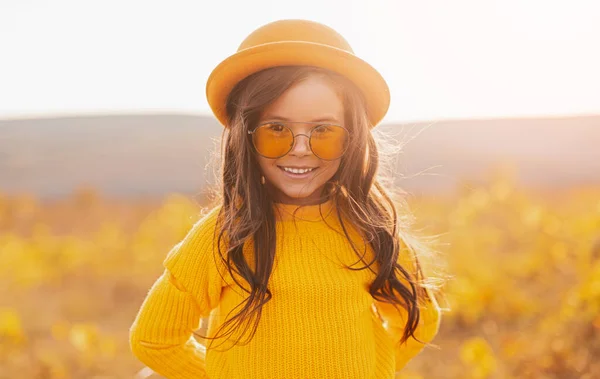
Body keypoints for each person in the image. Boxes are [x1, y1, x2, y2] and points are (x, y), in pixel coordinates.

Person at [129, 19, 443, 379]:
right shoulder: (221, 236)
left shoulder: (369, 229)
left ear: (352, 138)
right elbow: (153, 340)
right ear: (244, 136)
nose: (300, 150)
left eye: (323, 131)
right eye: (277, 129)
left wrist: (372, 367)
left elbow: (419, 320)